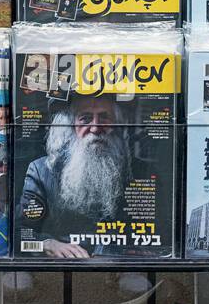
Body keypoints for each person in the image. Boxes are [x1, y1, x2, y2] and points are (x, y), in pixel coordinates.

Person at [18, 94, 150, 258]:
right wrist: (46, 244)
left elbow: (162, 232)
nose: (95, 128)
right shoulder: (41, 171)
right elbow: (20, 234)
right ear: (70, 125)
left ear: (117, 124)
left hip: (124, 270)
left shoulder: (140, 171)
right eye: (85, 119)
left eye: (104, 117)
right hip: (64, 271)